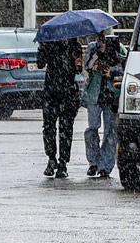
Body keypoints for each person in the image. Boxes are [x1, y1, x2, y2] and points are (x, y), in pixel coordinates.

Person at [37, 34, 82, 178]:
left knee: (66, 128)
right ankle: (51, 158)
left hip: (68, 93)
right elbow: (40, 63)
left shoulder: (75, 46)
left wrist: (77, 62)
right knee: (49, 127)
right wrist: (41, 48)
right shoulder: (50, 44)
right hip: (51, 92)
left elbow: (78, 69)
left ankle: (63, 163)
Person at [82, 32, 124, 178]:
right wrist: (99, 53)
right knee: (92, 127)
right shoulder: (92, 48)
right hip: (94, 94)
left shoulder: (119, 48)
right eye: (99, 37)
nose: (102, 39)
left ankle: (105, 166)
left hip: (112, 94)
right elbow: (87, 65)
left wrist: (111, 72)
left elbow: (124, 67)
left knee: (110, 131)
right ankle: (93, 161)